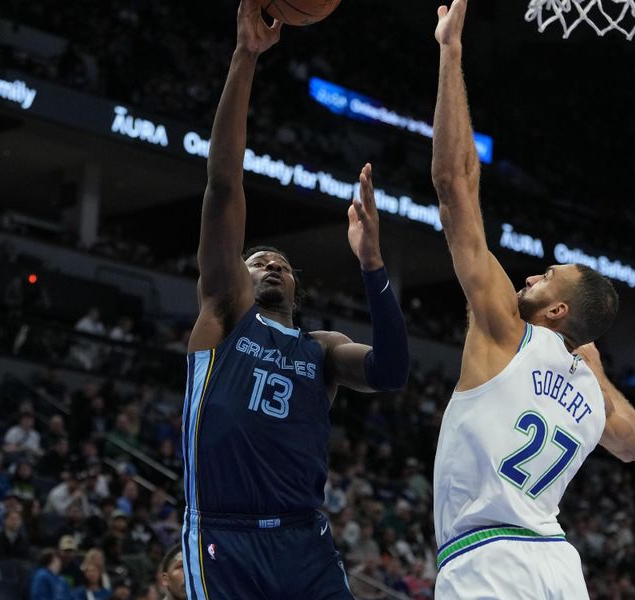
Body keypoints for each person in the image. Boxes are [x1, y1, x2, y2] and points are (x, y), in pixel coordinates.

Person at [180, 2, 409, 598]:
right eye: (258, 261)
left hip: (306, 541)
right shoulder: (225, 314)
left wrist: (372, 264)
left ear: (297, 288)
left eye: (281, 263)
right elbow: (224, 182)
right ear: (238, 276)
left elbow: (391, 371)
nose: (272, 264)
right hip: (225, 537)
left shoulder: (321, 350)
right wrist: (246, 56)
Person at [429, 1, 635, 598]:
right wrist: (592, 366)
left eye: (546, 277)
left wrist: (451, 53)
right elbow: (634, 445)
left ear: (556, 312)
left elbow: (455, 186)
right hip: (557, 566)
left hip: (487, 564)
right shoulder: (592, 396)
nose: (528, 277)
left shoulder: (505, 331)